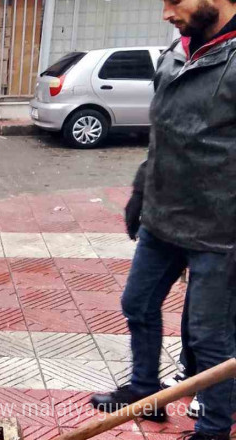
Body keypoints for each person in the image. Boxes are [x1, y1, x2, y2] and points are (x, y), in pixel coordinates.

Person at [90, 0, 236, 437]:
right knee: (136, 304)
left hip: (220, 231)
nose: (166, 12)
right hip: (163, 217)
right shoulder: (179, 50)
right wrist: (141, 189)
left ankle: (213, 429)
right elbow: (164, 134)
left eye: (175, 0)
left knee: (209, 338)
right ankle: (145, 392)